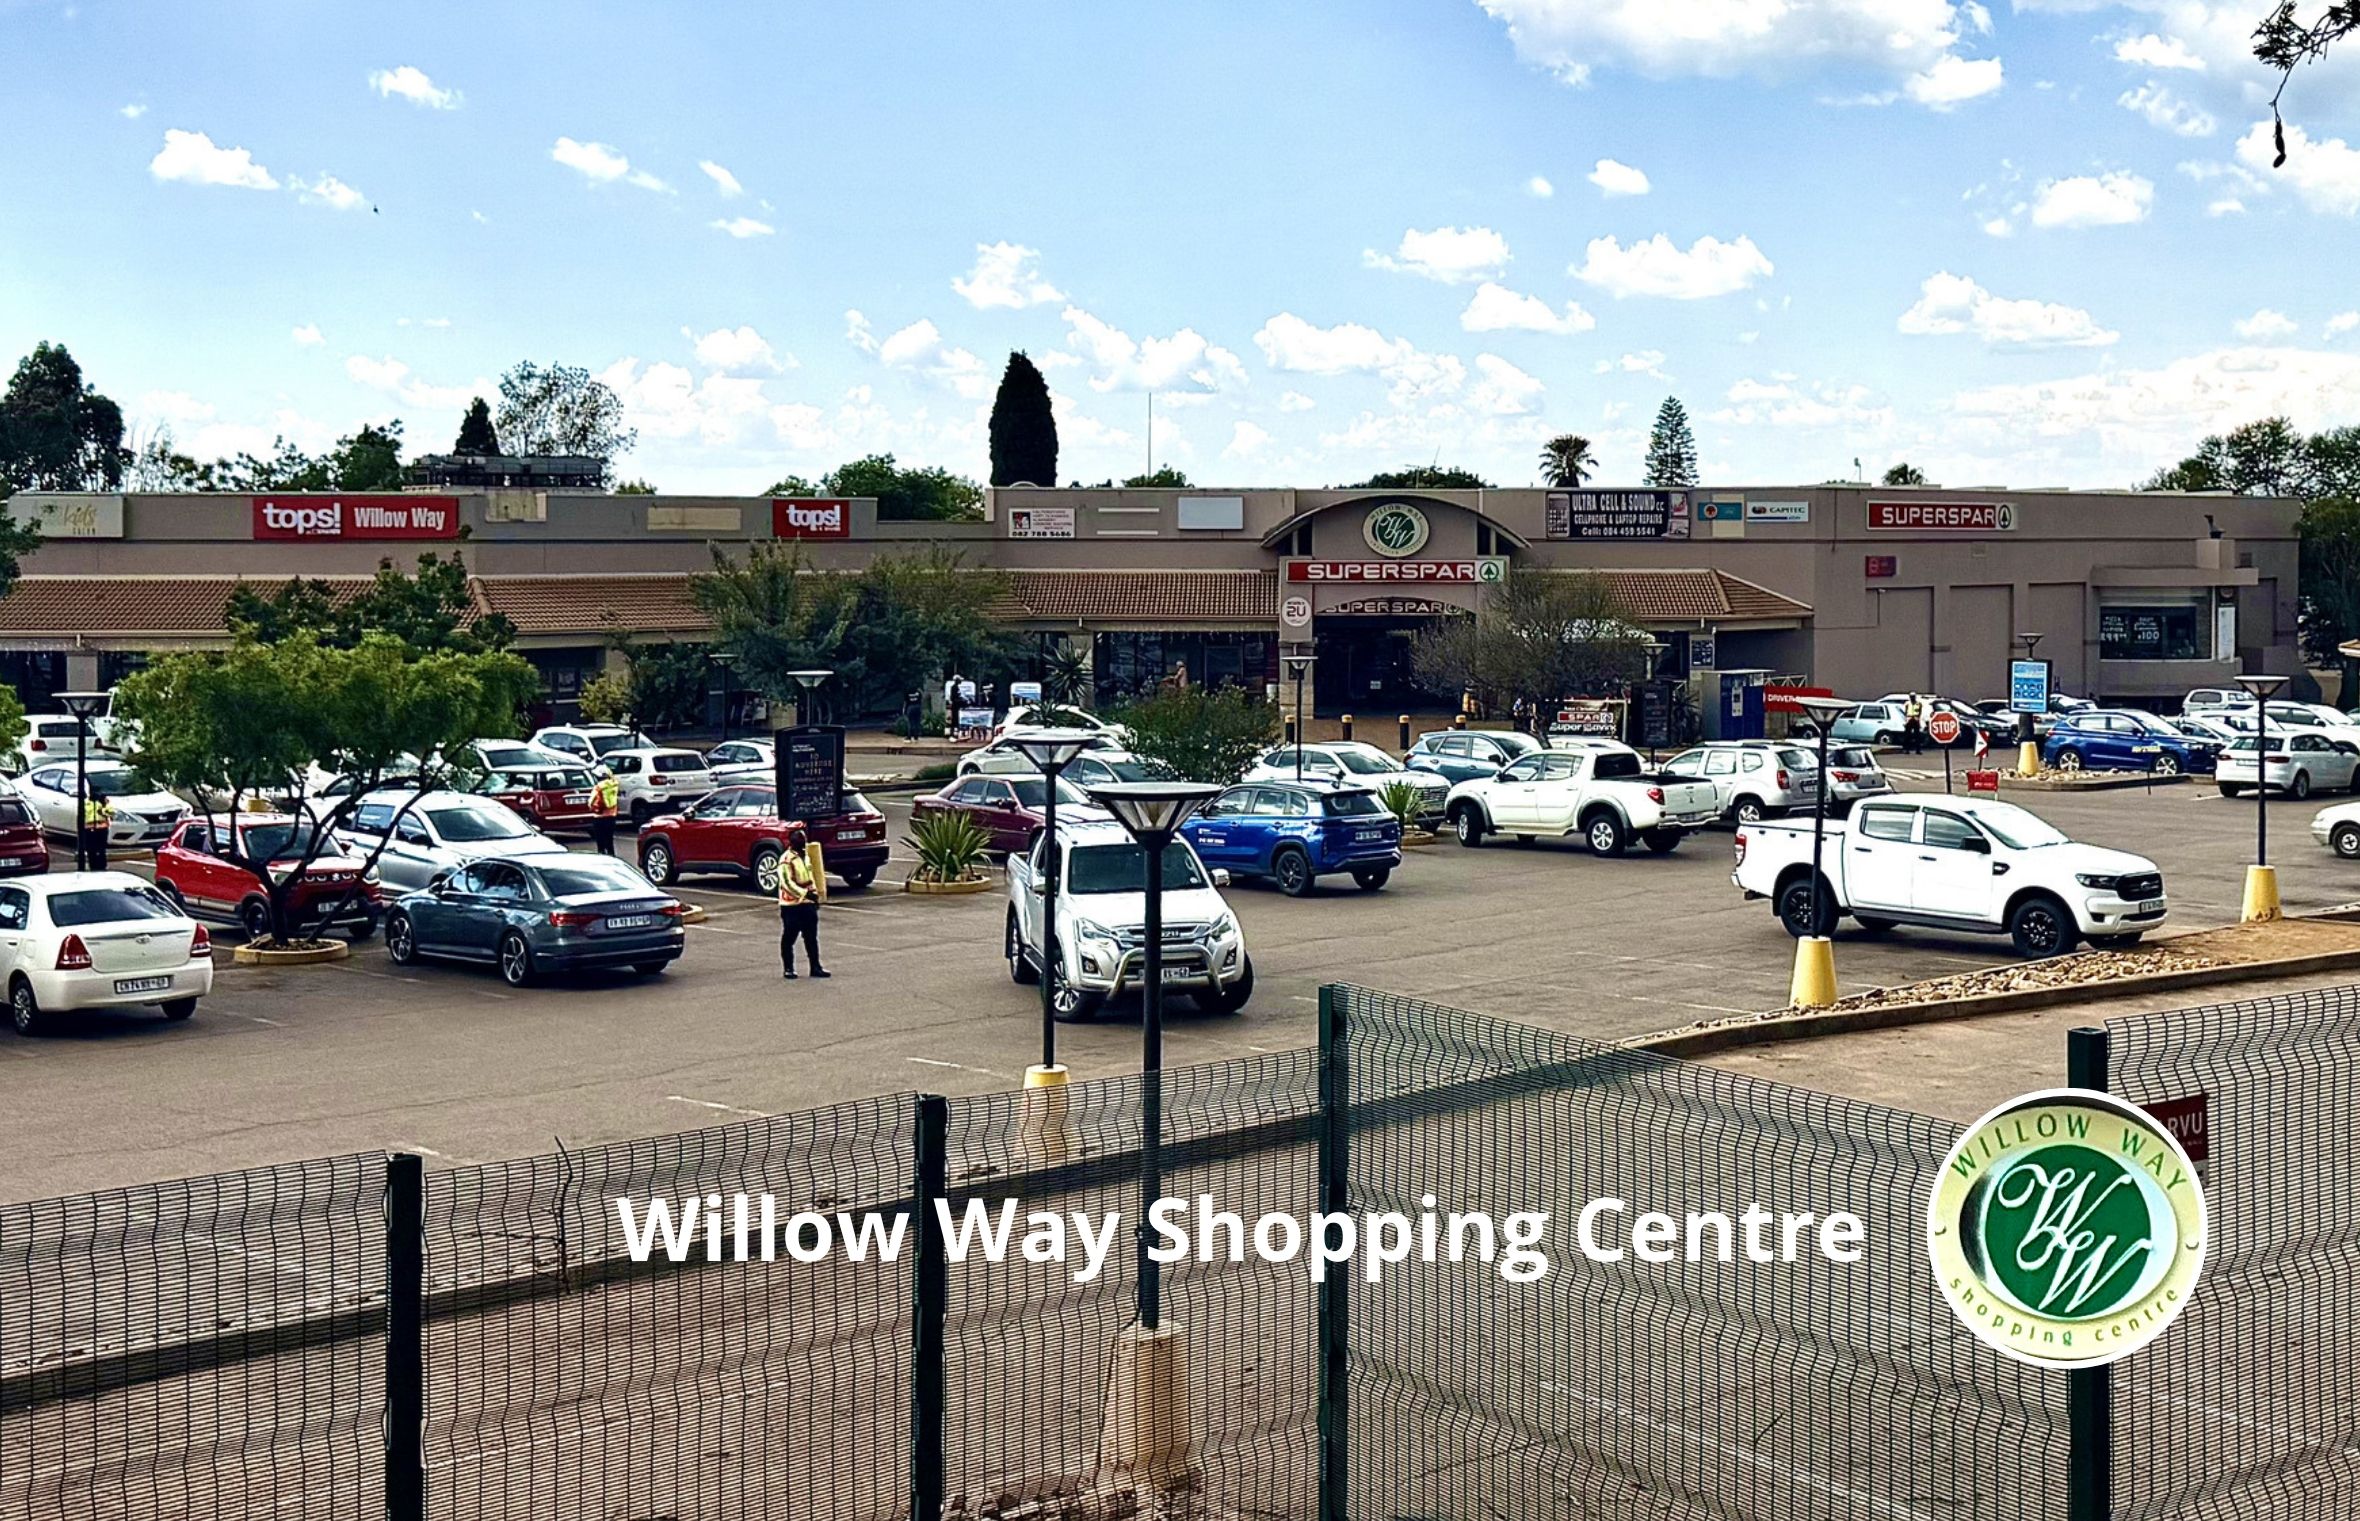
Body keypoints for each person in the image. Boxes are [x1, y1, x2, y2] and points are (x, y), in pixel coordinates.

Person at [777, 827, 828, 979]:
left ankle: (815, 967)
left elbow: (811, 877)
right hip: (791, 905)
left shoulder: (805, 857)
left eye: (803, 840)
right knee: (789, 937)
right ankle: (788, 968)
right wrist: (804, 893)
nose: (803, 843)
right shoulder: (786, 860)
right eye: (800, 840)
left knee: (811, 936)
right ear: (792, 842)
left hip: (808, 903)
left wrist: (815, 895)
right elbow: (786, 883)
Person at [590, 770, 620, 856]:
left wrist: (591, 806)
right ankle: (611, 856)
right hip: (611, 817)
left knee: (600, 842)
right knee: (609, 840)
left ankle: (602, 856)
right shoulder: (614, 786)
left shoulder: (598, 788)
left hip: (599, 818)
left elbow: (591, 801)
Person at [80, 792, 112, 871]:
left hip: (102, 829)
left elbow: (110, 813)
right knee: (91, 850)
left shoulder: (102, 802)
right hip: (89, 829)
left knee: (101, 849)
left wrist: (104, 805)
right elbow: (82, 815)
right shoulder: (85, 803)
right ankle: (93, 867)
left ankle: (102, 866)